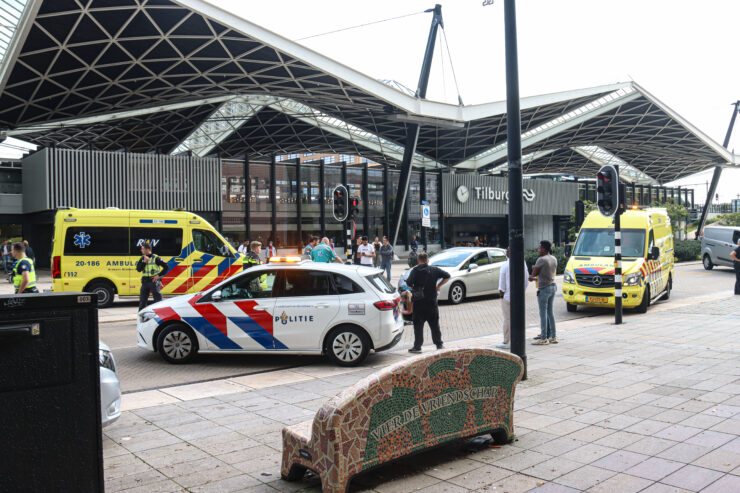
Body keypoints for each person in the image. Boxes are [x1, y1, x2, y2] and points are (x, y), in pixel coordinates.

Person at [406, 252, 451, 353]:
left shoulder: (415, 270)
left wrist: (415, 288)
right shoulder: (434, 270)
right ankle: (439, 344)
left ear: (418, 260)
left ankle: (417, 347)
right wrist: (438, 285)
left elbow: (408, 283)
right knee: (435, 325)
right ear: (427, 260)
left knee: (418, 326)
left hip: (419, 303)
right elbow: (447, 276)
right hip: (431, 303)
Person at [497, 248, 530, 349]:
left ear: (508, 253)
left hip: (507, 297)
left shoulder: (505, 266)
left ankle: (507, 341)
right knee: (518, 319)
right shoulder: (523, 264)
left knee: (507, 319)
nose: (506, 253)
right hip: (519, 297)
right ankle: (518, 338)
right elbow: (526, 280)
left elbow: (502, 286)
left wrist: (502, 295)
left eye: (507, 251)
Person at [529, 240, 558, 345]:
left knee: (543, 314)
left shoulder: (541, 260)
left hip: (544, 289)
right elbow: (547, 275)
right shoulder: (553, 258)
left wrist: (532, 274)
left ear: (544, 249)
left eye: (539, 248)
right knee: (550, 312)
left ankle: (544, 338)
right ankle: (553, 336)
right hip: (553, 286)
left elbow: (533, 275)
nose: (538, 250)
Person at [136, 242, 169, 311]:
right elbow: (138, 269)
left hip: (154, 281)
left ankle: (159, 316)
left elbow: (166, 267)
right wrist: (144, 262)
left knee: (157, 300)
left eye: (142, 249)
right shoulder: (142, 258)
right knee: (142, 301)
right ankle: (141, 316)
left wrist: (158, 276)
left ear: (147, 249)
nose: (141, 250)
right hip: (145, 282)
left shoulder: (156, 258)